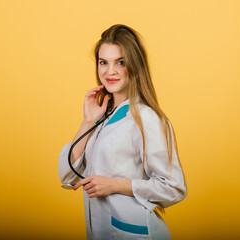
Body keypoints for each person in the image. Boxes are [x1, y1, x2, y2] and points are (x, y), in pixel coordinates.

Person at [58, 24, 187, 240]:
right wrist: (88, 122)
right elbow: (67, 173)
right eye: (103, 62)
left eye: (120, 62)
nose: (110, 72)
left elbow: (174, 188)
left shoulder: (146, 118)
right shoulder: (102, 117)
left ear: (135, 66)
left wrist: (115, 185)